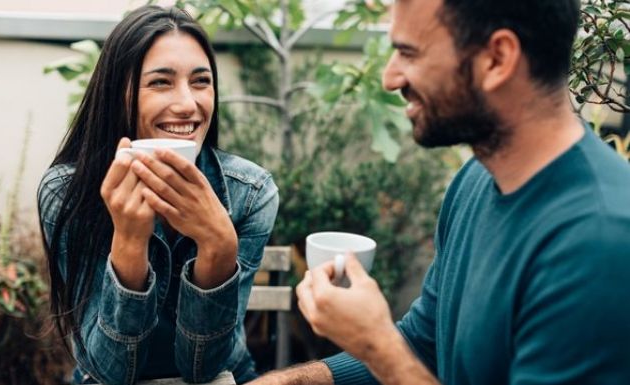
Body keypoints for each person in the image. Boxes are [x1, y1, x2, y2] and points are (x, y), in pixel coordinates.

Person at [248, 0, 630, 384]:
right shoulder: (476, 179)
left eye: (408, 53)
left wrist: (377, 345)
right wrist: (283, 382)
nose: (390, 78)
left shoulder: (599, 242)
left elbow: (398, 354)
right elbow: (424, 343)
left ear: (497, 59)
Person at [37, 5, 279, 385]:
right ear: (119, 94)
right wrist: (130, 242)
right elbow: (109, 371)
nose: (187, 104)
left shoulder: (249, 193)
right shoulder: (66, 193)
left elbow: (204, 368)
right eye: (161, 82)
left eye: (201, 81)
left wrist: (217, 245)